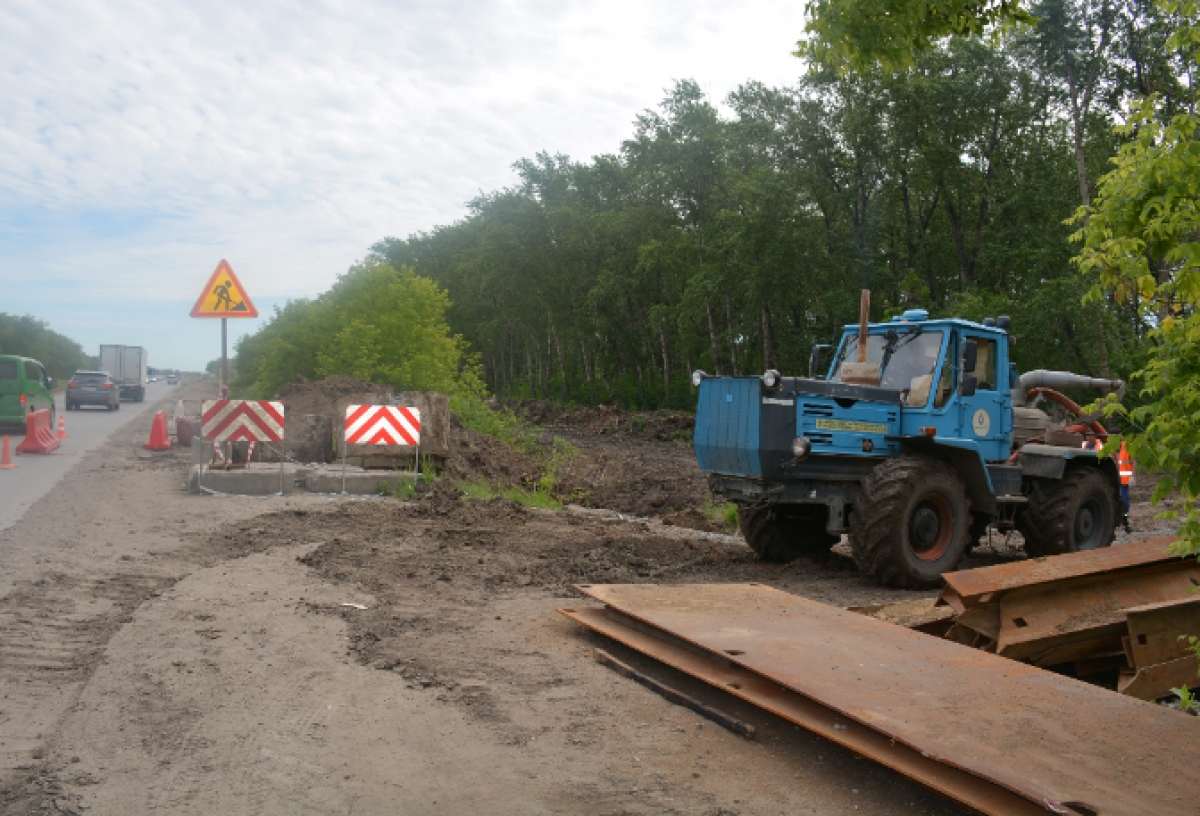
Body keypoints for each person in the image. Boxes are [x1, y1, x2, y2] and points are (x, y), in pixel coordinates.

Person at [1117, 439, 1135, 533]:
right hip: (1114, 480)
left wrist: (1132, 476)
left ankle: (1125, 521)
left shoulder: (1128, 446)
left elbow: (1134, 461)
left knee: (1125, 502)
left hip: (1124, 480)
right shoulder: (1109, 447)